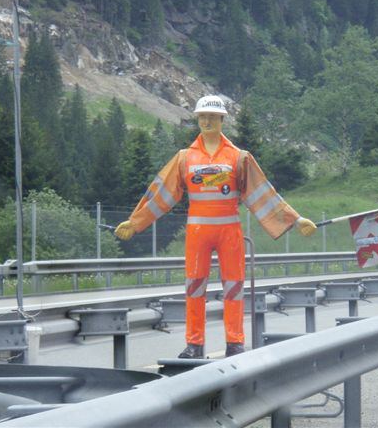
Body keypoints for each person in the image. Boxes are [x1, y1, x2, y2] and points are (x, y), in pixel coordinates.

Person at [115, 95, 317, 358]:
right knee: (194, 286)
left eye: (212, 116)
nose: (207, 121)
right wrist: (136, 221)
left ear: (222, 119)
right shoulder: (184, 158)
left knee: (234, 287)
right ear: (197, 119)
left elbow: (261, 192)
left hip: (229, 231)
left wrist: (295, 219)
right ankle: (194, 344)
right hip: (197, 232)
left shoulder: (239, 158)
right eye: (202, 116)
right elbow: (162, 192)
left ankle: (235, 343)